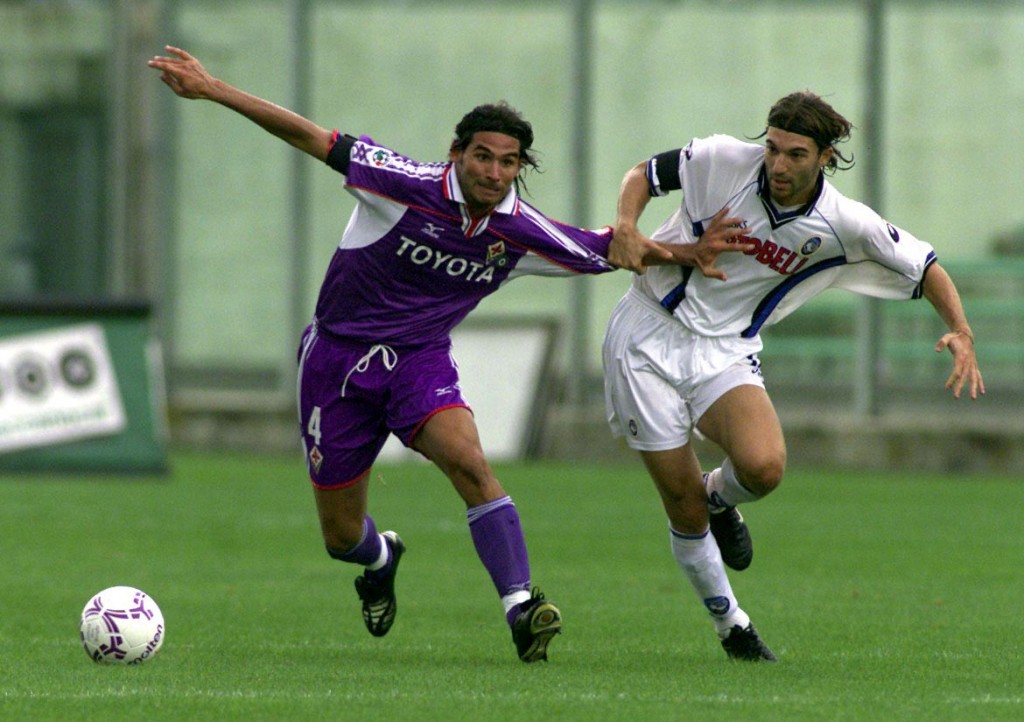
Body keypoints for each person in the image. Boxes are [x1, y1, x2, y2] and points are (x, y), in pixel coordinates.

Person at [147, 46, 746, 663]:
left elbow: (610, 249)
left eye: (508, 162)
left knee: (468, 463)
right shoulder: (401, 182)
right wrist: (213, 88)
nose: (493, 171)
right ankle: (380, 559)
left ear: (520, 169)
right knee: (341, 537)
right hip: (335, 363)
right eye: (482, 155)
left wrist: (688, 253)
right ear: (457, 153)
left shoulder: (519, 233)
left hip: (418, 362)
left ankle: (521, 607)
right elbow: (311, 136)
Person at [603, 90, 984, 662]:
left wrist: (960, 330)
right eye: (773, 149)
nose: (778, 165)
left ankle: (718, 497)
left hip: (725, 349)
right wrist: (626, 225)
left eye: (796, 155)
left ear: (826, 157)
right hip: (646, 335)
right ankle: (733, 626)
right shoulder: (722, 159)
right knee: (677, 500)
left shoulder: (844, 222)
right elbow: (643, 174)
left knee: (763, 467)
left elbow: (925, 264)